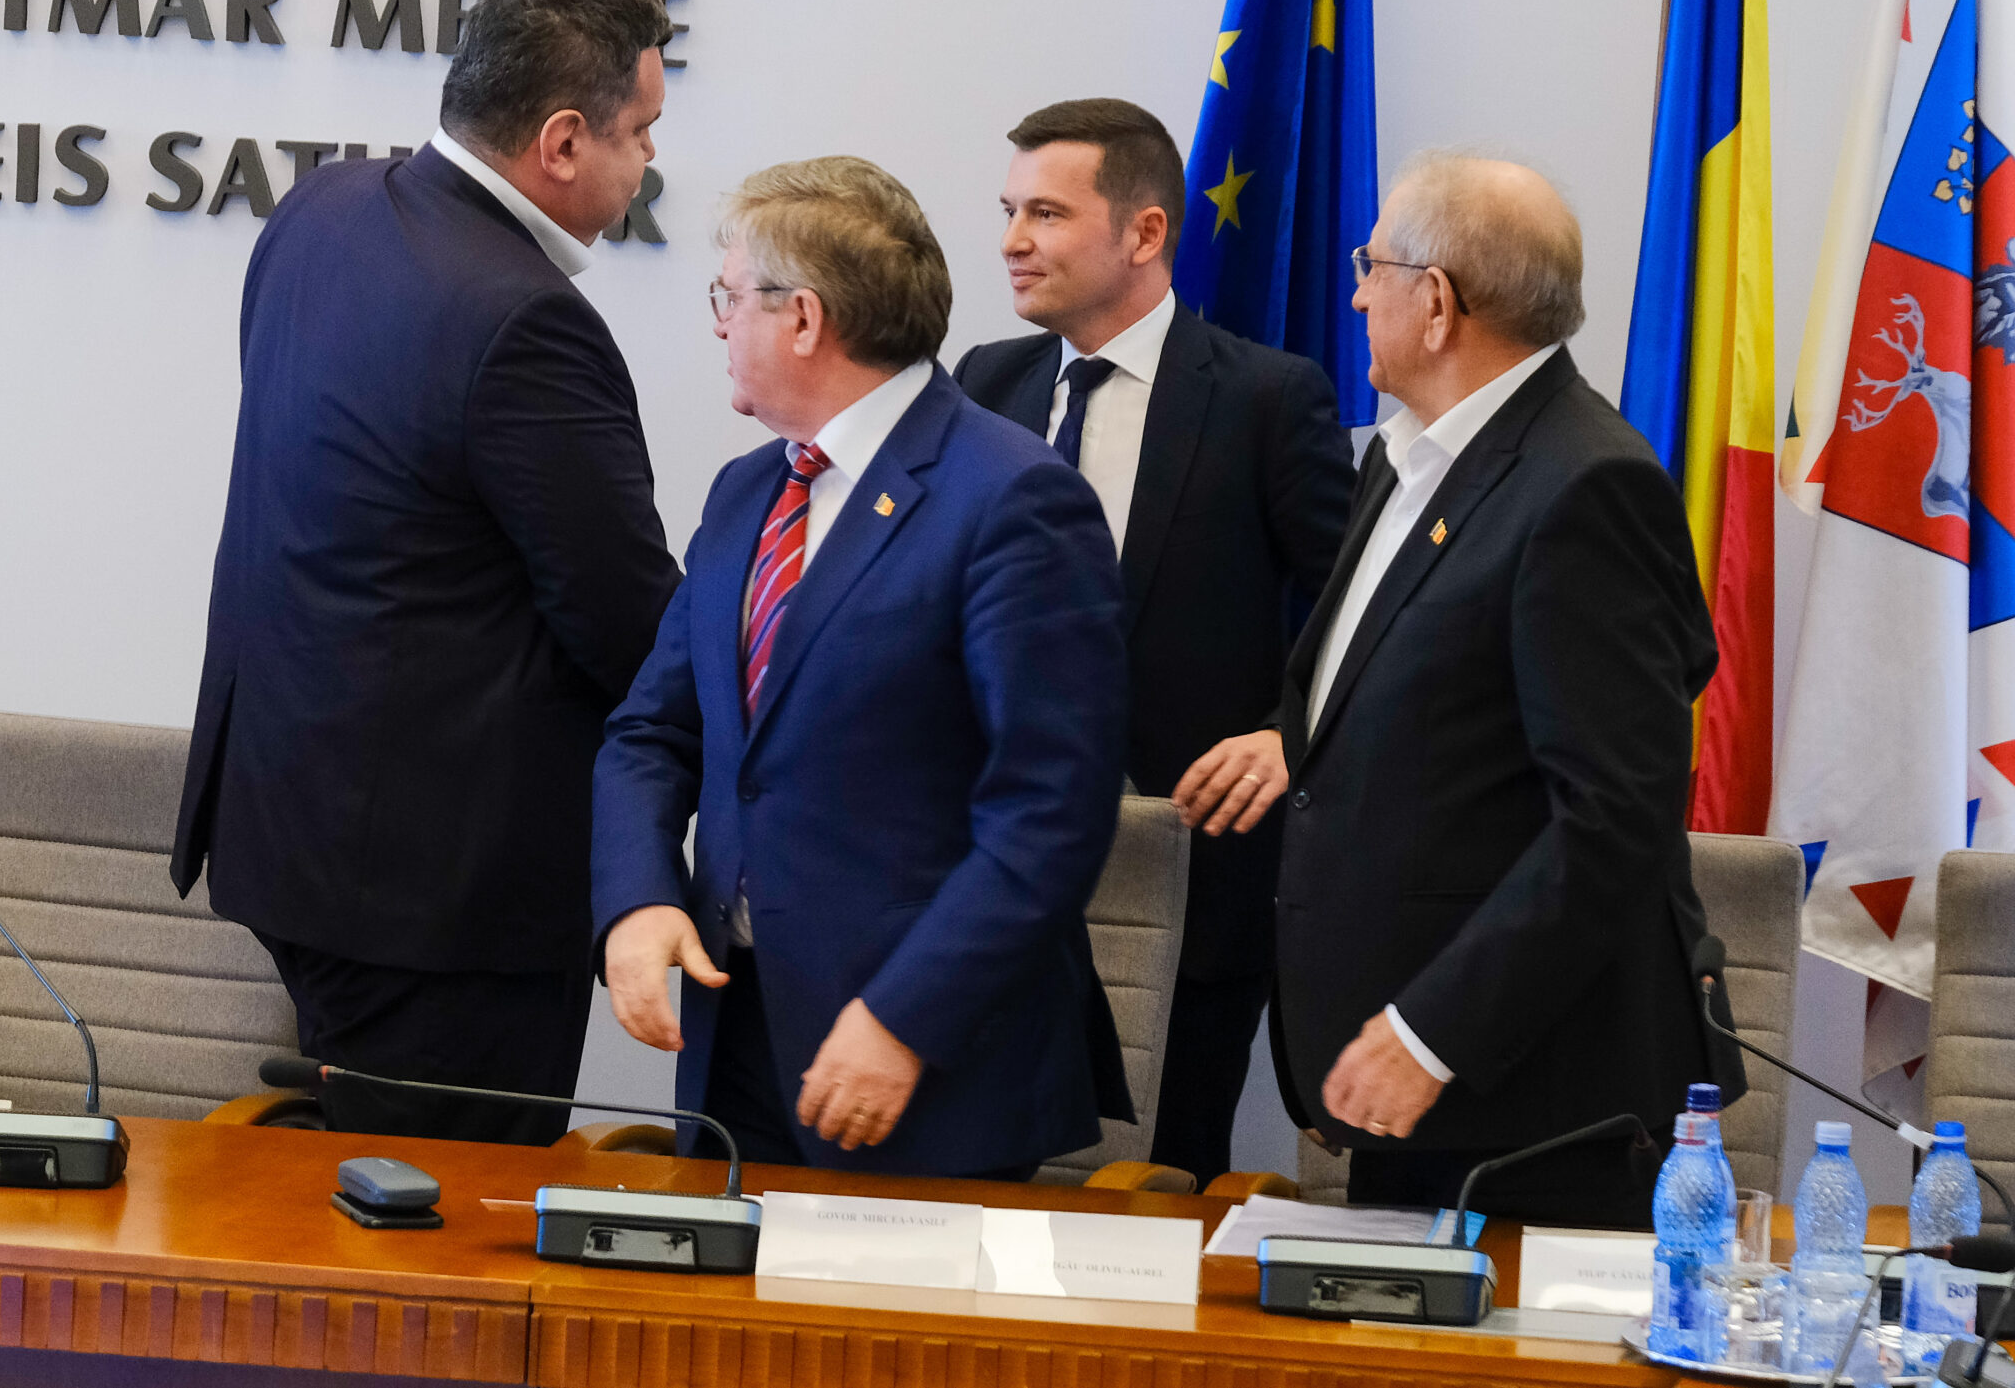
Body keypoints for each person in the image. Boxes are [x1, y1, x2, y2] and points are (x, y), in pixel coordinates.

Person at [170, 0, 684, 1145]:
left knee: (348, 1201)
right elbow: (625, 620)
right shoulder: (529, 320)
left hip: (287, 832)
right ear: (563, 142)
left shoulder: (321, 210)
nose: (651, 159)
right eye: (641, 132)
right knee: (441, 1227)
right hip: (439, 902)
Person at [1206, 152, 1739, 1225]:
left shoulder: (1586, 483)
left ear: (1438, 301)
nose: (1357, 294)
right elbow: (1430, 693)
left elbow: (1614, 818)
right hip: (1412, 1087)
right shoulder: (1404, 460)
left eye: (1372, 267)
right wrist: (1300, 738)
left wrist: (1430, 1033)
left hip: (1530, 1104)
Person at [592, 156, 1133, 1178]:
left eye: (729, 297)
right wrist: (637, 897)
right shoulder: (747, 490)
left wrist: (903, 1018)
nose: (719, 325)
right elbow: (652, 731)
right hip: (737, 1038)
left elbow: (1050, 809)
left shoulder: (1013, 497)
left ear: (802, 317)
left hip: (923, 1062)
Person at [954, 99, 1353, 1186]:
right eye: (1008, 211)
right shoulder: (983, 383)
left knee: (1161, 1191)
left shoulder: (1267, 398)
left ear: (1144, 232)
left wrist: (1289, 735)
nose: (1012, 240)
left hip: (1194, 872)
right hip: (989, 869)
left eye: (1045, 213)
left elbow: (1363, 612)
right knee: (984, 1179)